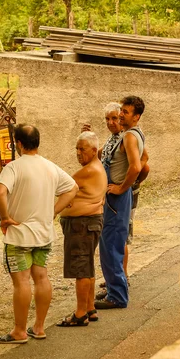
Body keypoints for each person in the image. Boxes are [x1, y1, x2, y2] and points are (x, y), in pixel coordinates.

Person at [0, 124, 78, 344]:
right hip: (44, 234)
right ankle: (39, 327)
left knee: (21, 282)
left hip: (19, 235)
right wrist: (54, 211)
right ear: (37, 142)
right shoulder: (51, 167)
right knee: (42, 278)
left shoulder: (13, 167)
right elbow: (72, 188)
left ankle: (19, 332)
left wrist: (4, 217)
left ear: (18, 144)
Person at [95, 96, 146, 309]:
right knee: (110, 243)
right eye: (121, 111)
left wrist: (122, 187)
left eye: (125, 112)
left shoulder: (130, 137)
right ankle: (114, 289)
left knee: (112, 245)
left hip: (116, 196)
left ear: (136, 116)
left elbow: (137, 166)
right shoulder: (131, 135)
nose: (121, 115)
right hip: (114, 197)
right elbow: (143, 159)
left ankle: (117, 296)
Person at [57, 132, 107, 326]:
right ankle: (89, 308)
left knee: (81, 268)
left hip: (82, 225)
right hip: (87, 223)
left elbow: (63, 186)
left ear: (94, 151)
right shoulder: (95, 166)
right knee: (87, 266)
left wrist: (56, 209)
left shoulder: (89, 170)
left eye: (82, 149)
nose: (78, 153)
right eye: (76, 149)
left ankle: (80, 314)